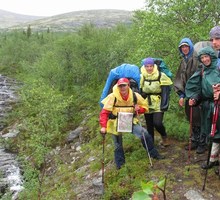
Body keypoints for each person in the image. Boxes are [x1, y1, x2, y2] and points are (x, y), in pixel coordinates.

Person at [99, 77, 164, 170]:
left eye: (124, 85)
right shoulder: (112, 97)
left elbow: (145, 108)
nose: (122, 88)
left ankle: (154, 154)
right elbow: (104, 113)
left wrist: (139, 109)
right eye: (120, 86)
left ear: (128, 85)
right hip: (115, 122)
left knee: (144, 134)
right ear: (117, 86)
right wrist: (103, 126)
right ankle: (120, 166)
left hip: (129, 120)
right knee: (117, 145)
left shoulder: (135, 96)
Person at [185, 46, 220, 170]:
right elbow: (199, 89)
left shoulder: (218, 67)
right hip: (207, 107)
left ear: (211, 56)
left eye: (206, 56)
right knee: (213, 134)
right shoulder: (202, 71)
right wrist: (194, 98)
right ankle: (213, 159)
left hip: (218, 106)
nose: (205, 59)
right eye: (202, 57)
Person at [174, 38, 203, 153]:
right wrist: (181, 95)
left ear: (190, 47)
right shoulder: (183, 60)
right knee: (192, 118)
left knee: (199, 118)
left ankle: (202, 143)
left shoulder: (196, 59)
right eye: (182, 47)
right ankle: (195, 141)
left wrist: (195, 95)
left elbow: (199, 77)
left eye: (186, 46)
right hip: (188, 94)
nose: (184, 48)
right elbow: (180, 79)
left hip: (198, 94)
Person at [139, 57, 172, 146]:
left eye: (151, 66)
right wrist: (142, 95)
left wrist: (164, 105)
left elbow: (165, 91)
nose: (149, 68)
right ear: (144, 67)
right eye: (147, 66)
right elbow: (139, 89)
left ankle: (164, 136)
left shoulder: (160, 75)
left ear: (154, 66)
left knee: (157, 123)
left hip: (158, 102)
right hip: (147, 102)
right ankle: (151, 145)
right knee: (149, 125)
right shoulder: (142, 76)